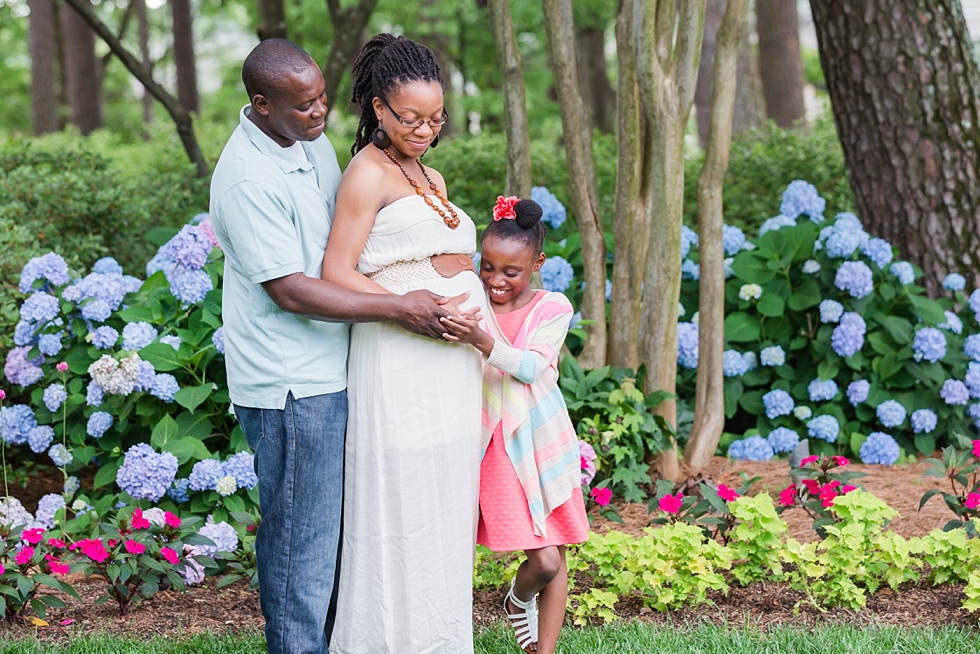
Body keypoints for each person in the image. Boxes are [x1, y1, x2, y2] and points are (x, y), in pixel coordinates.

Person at [208, 38, 463, 654]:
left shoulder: (305, 139)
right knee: (304, 543)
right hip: (291, 381)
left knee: (342, 537)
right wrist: (401, 307)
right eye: (304, 105)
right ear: (261, 104)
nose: (321, 113)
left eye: (322, 97)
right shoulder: (247, 179)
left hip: (341, 364)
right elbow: (293, 291)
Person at [322, 34, 487, 654]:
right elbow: (335, 271)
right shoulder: (366, 172)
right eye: (410, 118)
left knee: (441, 505)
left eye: (436, 117)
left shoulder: (428, 172)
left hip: (446, 366)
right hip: (396, 356)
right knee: (400, 502)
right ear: (377, 108)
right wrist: (404, 308)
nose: (425, 129)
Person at [441, 197, 589, 654]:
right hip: (496, 441)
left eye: (512, 271)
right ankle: (517, 598)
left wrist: (480, 339)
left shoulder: (552, 308)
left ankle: (544, 652)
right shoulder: (474, 302)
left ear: (537, 263)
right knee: (542, 559)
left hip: (543, 437)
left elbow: (530, 367)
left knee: (557, 551)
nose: (496, 280)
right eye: (488, 267)